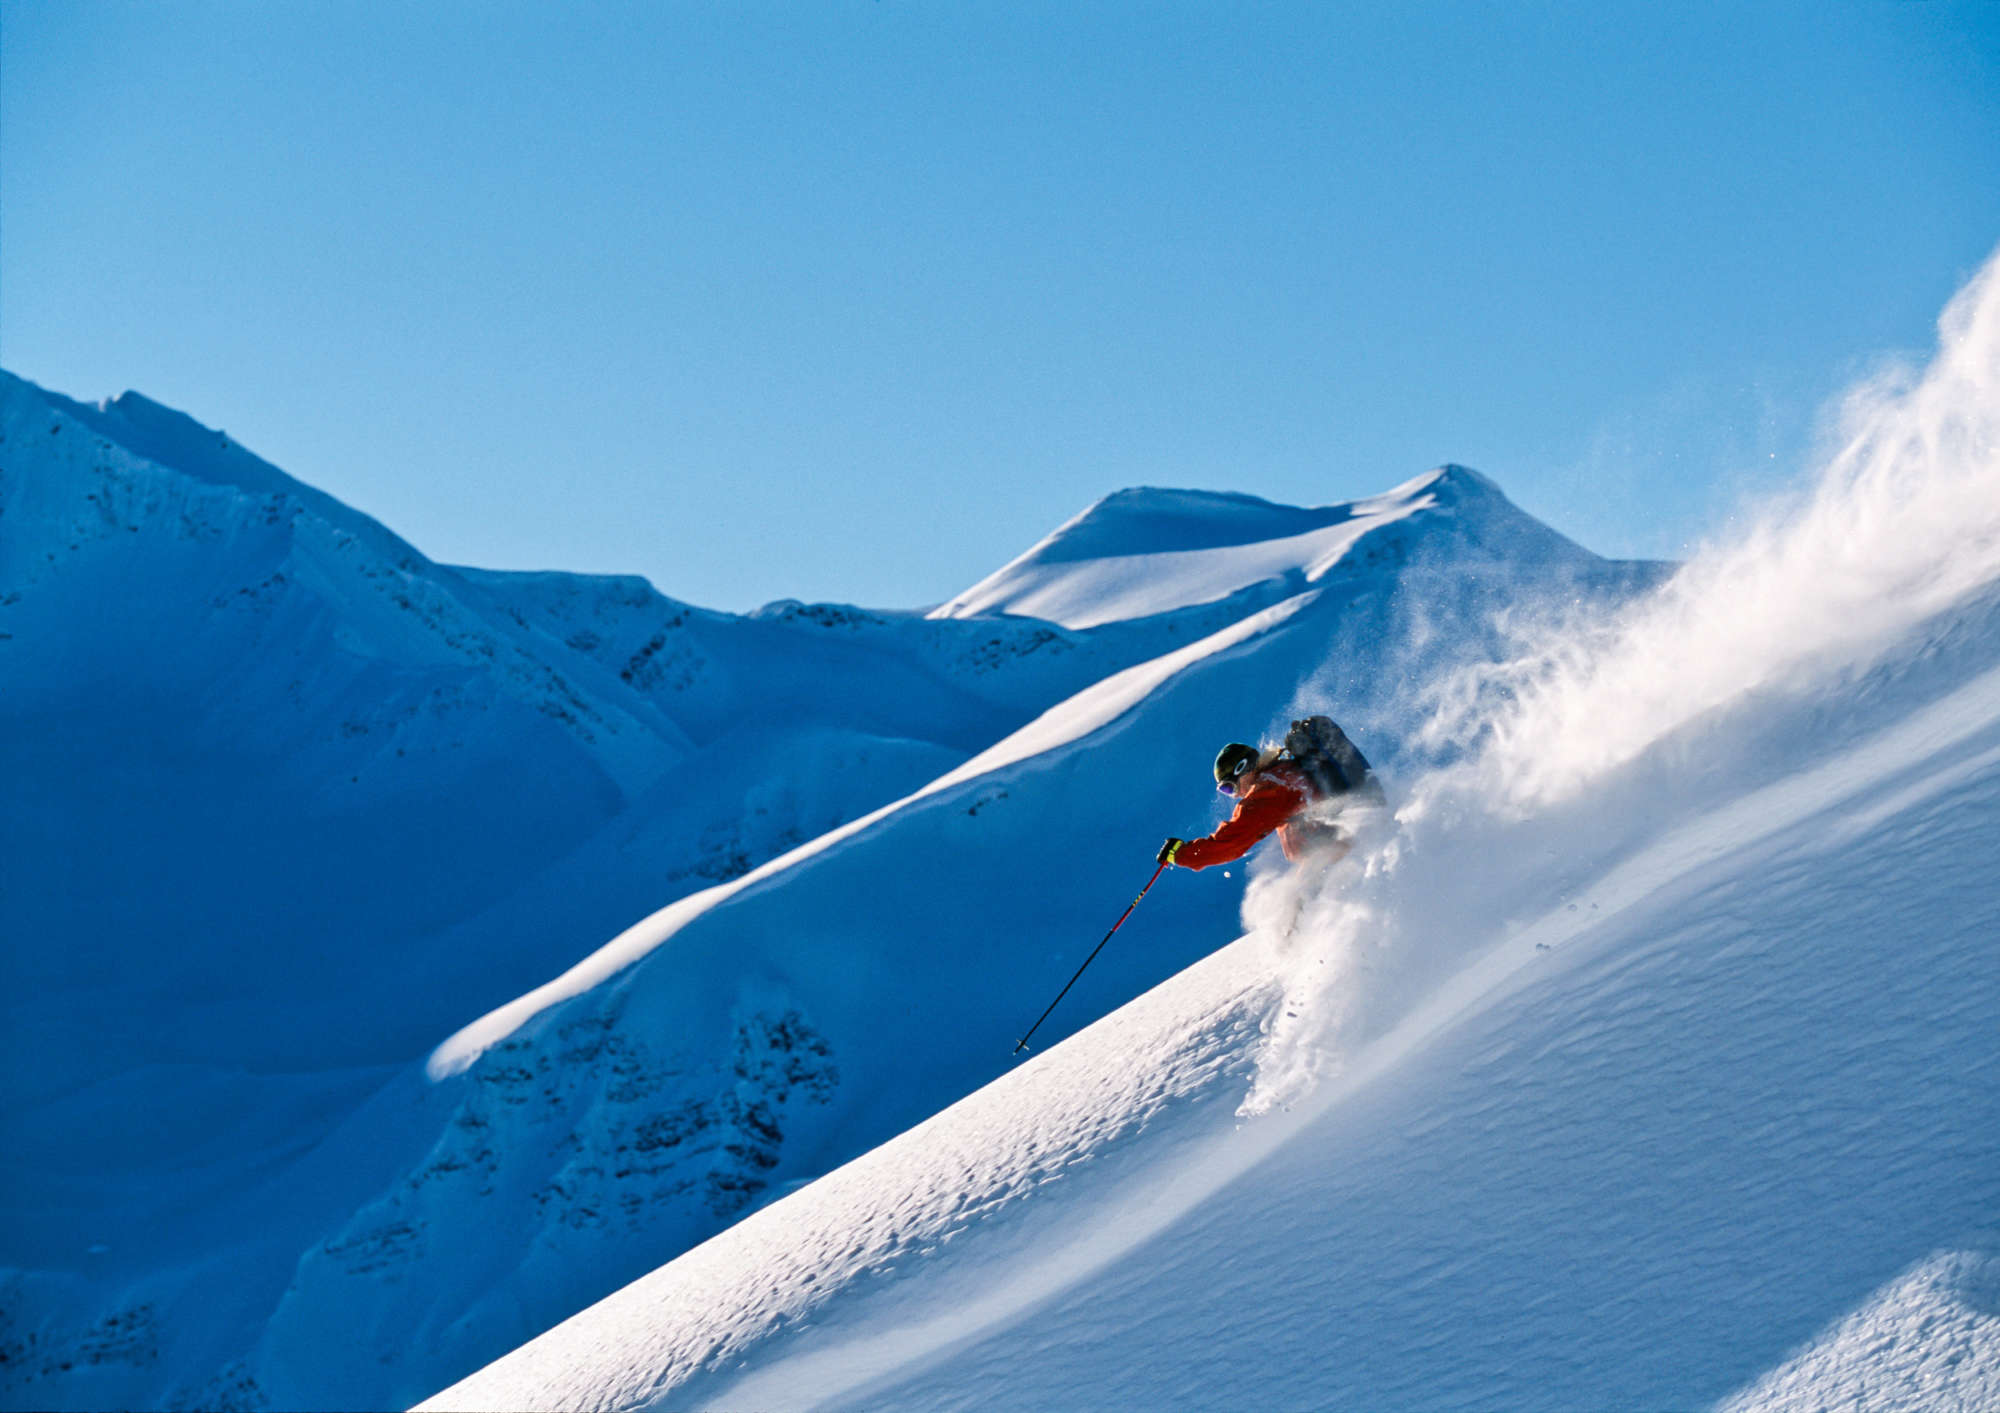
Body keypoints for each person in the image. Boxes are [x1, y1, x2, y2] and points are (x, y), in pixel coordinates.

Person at [1157, 717, 1379, 872]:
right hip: (1345, 846)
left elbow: (1230, 844)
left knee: (1295, 910)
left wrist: (1181, 854)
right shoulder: (1284, 772)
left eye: (1229, 787)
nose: (1234, 795)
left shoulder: (1268, 791)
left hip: (1337, 855)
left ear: (1242, 770)